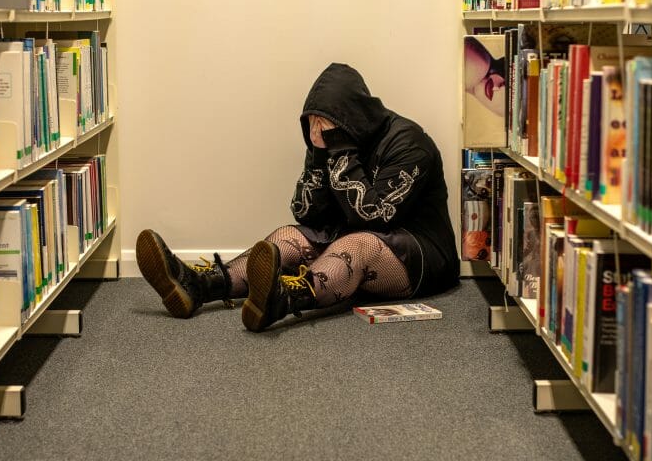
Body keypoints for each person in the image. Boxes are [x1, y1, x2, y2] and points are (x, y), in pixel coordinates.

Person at [136, 62, 459, 332]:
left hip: (418, 253)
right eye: (312, 124)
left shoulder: (409, 142)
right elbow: (306, 213)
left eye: (326, 125)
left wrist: (341, 148)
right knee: (288, 235)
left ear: (351, 119)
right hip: (350, 234)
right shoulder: (325, 143)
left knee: (357, 244)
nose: (318, 131)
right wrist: (321, 155)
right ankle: (199, 286)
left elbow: (373, 217)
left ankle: (283, 299)